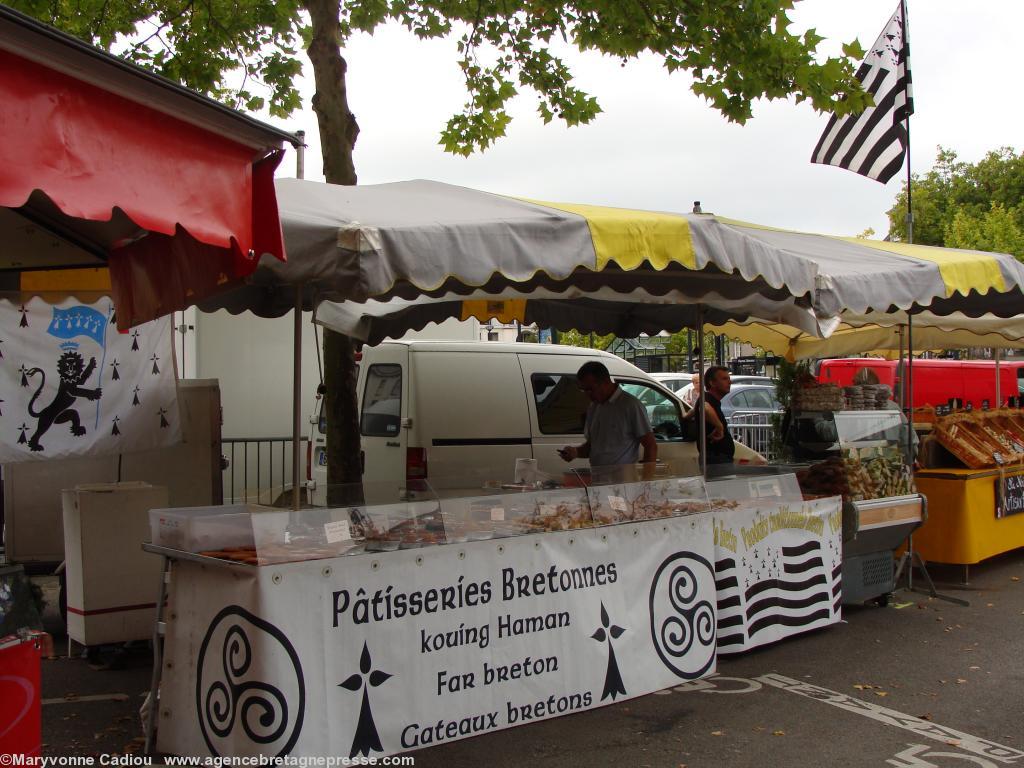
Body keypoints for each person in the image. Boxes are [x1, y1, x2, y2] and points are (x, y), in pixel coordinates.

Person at [558, 361, 657, 471]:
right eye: (584, 390)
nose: (587, 394)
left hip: (623, 482)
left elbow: (650, 445)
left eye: (590, 389)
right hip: (598, 478)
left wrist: (647, 481)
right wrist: (575, 452)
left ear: (605, 382)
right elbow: (594, 447)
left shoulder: (630, 405)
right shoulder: (594, 407)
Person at [703, 366, 735, 465]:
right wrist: (719, 426)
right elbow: (704, 407)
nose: (730, 382)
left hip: (719, 460)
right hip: (716, 461)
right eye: (725, 379)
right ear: (712, 383)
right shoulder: (707, 400)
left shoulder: (710, 399)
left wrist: (687, 414)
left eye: (729, 379)